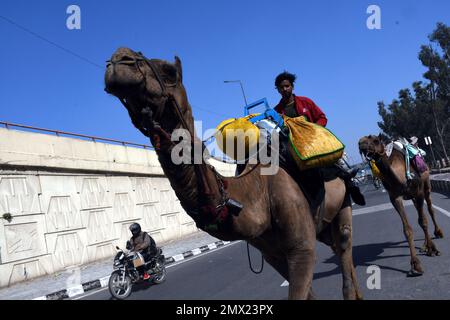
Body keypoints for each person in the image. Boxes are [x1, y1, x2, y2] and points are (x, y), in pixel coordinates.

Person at [274, 71, 365, 206]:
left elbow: (322, 117)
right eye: (281, 87)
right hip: (293, 148)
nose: (284, 89)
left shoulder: (306, 102)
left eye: (287, 86)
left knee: (334, 164)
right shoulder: (277, 111)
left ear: (292, 86)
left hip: (313, 141)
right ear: (278, 90)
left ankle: (350, 184)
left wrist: (314, 130)